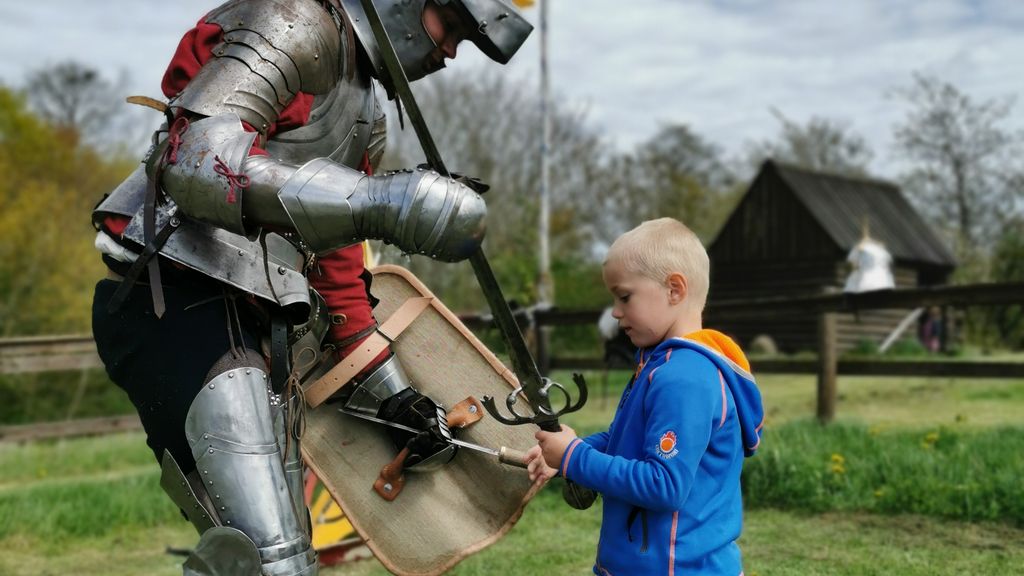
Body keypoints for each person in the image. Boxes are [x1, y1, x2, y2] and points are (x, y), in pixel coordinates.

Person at [90, 1, 532, 574]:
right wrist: (379, 204)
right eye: (450, 27)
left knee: (286, 558)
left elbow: (336, 267)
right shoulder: (291, 23)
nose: (448, 52)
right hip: (179, 294)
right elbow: (196, 160)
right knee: (269, 562)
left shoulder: (366, 111)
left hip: (260, 323)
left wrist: (395, 398)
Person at [525, 218, 765, 575]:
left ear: (674, 290)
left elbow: (664, 485)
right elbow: (626, 439)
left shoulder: (684, 378)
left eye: (624, 296)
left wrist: (575, 457)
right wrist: (566, 453)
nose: (616, 312)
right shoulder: (657, 365)